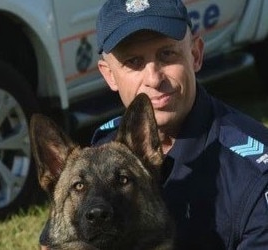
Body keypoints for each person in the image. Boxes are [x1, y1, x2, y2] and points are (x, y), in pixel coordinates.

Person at [40, 0, 268, 249]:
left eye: (167, 54)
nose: (154, 79)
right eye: (134, 62)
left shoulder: (252, 176)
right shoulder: (106, 144)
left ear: (195, 55)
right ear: (109, 75)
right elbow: (52, 241)